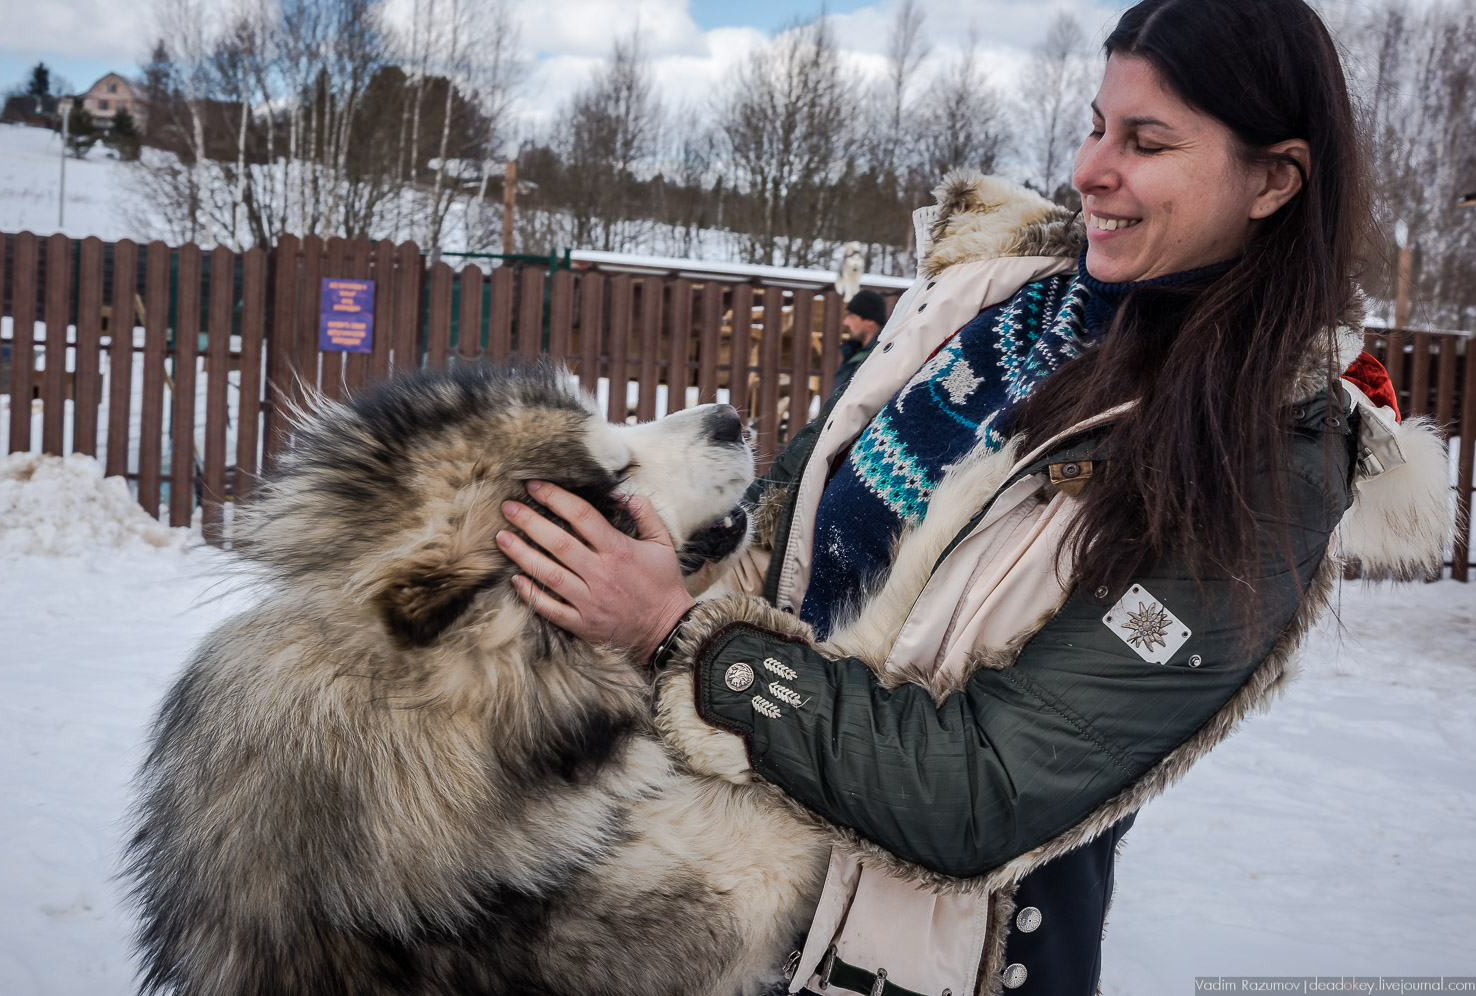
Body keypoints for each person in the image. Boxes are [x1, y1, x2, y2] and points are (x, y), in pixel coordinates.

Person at [494, 0, 1450, 992]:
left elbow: (983, 787)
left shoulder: (1261, 459)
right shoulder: (985, 302)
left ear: (1274, 179)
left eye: (1147, 142)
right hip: (710, 912)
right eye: (1095, 125)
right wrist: (652, 558)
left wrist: (678, 639)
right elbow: (793, 535)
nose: (1090, 170)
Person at [833, 288, 888, 394]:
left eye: (852, 317)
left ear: (870, 321)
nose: (845, 322)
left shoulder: (880, 356)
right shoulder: (853, 353)